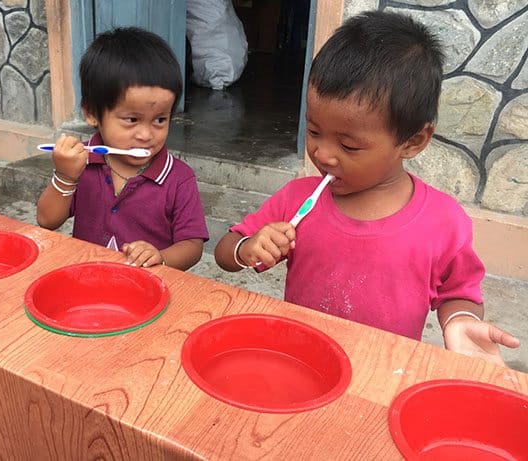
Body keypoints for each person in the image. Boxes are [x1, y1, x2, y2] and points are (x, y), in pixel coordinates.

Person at [214, 11, 520, 365]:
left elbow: (459, 292)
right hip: (301, 360)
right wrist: (248, 248)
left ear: (413, 140)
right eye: (314, 132)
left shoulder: (443, 222)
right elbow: (226, 252)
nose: (322, 154)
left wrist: (461, 321)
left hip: (383, 371)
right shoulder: (298, 199)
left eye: (349, 145)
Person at [37, 27, 208, 270]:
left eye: (160, 119)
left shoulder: (178, 178)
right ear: (91, 113)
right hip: (87, 278)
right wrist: (65, 176)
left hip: (147, 290)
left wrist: (161, 257)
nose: (146, 135)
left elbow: (192, 245)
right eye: (131, 120)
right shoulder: (81, 161)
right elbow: (47, 220)